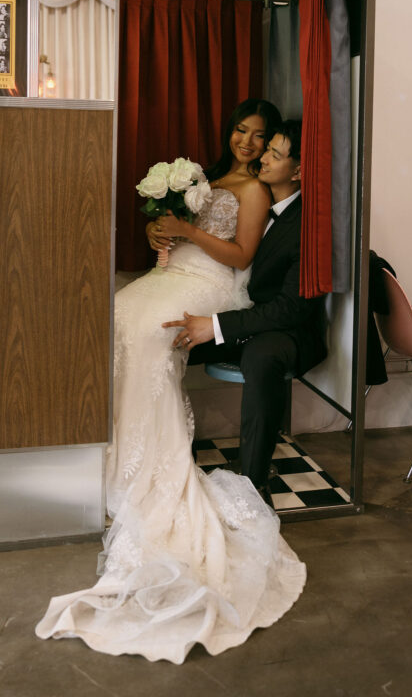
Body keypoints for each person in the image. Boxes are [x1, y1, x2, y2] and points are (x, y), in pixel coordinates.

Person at [36, 99, 311, 663]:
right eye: (241, 131)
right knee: (116, 313)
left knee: (144, 332)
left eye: (260, 138)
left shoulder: (255, 190)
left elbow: (241, 255)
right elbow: (183, 232)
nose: (248, 144)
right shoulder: (208, 177)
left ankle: (147, 467)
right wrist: (165, 236)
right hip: (179, 272)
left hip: (215, 287)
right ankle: (104, 452)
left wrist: (187, 229)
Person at [165, 120, 327, 499]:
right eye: (266, 148)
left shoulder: (307, 225)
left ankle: (254, 482)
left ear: (300, 170)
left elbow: (291, 308)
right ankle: (173, 459)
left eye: (274, 153)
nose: (263, 157)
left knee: (262, 357)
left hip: (289, 331)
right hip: (249, 317)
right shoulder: (265, 204)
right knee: (166, 338)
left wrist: (217, 326)